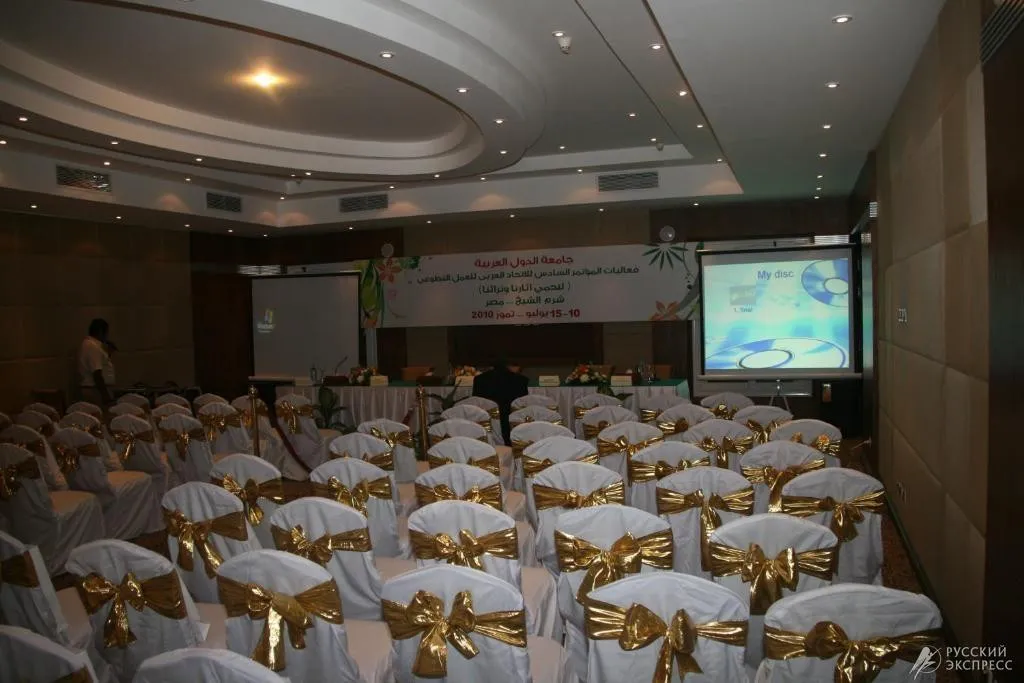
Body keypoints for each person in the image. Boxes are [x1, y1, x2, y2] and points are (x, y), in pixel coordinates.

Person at [472, 357, 528, 444]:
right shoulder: (521, 380)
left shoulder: (479, 380)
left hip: (487, 423)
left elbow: (477, 402)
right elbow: (522, 405)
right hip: (510, 423)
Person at [78, 318, 116, 406]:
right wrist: (106, 396)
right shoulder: (93, 347)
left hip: (93, 388)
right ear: (100, 332)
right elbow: (97, 373)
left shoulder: (87, 344)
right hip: (95, 390)